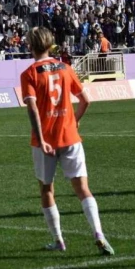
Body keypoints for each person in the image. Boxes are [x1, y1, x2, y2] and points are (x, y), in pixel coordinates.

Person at [20, 27, 114, 255]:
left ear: (31, 46)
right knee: (83, 189)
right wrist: (75, 120)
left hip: (45, 141)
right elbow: (85, 100)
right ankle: (98, 233)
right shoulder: (66, 68)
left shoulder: (29, 73)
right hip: (70, 137)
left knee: (47, 190)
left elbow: (32, 108)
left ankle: (58, 240)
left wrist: (41, 138)